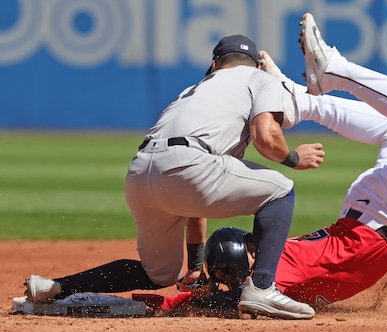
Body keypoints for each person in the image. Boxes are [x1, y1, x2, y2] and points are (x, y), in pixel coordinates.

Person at [147, 12, 387, 313]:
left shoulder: (271, 266)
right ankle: (325, 80)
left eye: (252, 244)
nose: (256, 244)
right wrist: (192, 295)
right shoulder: (269, 278)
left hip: (375, 219)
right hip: (381, 218)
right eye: (251, 248)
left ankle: (299, 98)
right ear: (242, 265)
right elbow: (233, 297)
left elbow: (220, 285)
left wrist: (199, 281)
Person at [24, 33, 326, 320]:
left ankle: (54, 286)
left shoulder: (194, 90)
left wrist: (194, 267)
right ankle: (262, 288)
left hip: (141, 172)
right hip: (190, 165)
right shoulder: (259, 78)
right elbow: (265, 135)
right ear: (258, 65)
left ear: (214, 64)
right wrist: (295, 159)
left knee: (159, 274)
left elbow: (195, 195)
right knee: (281, 189)